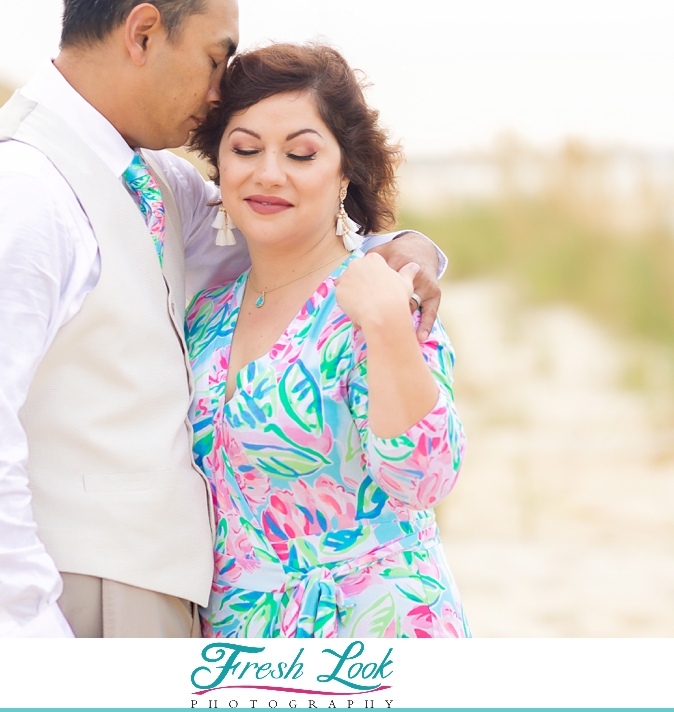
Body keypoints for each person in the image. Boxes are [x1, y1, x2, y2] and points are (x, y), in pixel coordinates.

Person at [0, 0, 446, 638]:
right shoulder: (19, 190)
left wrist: (406, 247)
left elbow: (281, 230)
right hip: (76, 600)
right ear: (144, 33)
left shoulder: (147, 179)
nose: (221, 94)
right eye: (216, 60)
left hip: (171, 603)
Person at [184, 43, 469, 638]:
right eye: (245, 149)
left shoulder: (379, 293)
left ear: (345, 171)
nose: (268, 173)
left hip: (376, 626)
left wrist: (388, 323)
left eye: (301, 153)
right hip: (242, 639)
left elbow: (425, 477)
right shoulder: (204, 314)